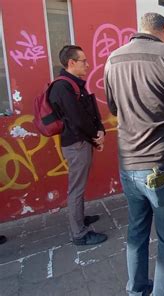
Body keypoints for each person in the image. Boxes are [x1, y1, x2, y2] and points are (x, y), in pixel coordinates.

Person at [104, 7, 164, 296]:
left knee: (136, 232)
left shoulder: (112, 58)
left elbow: (113, 107)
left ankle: (136, 290)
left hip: (128, 164)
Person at [48, 45, 106, 246]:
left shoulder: (74, 84)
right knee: (76, 188)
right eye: (84, 61)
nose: (88, 65)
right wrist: (96, 136)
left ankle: (79, 219)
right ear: (71, 63)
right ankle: (79, 233)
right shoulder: (62, 87)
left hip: (82, 142)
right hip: (76, 144)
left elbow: (88, 111)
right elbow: (78, 119)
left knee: (79, 186)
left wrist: (99, 131)